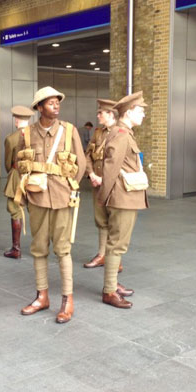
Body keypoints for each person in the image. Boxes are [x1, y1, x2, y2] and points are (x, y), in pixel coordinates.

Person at [16, 86, 86, 324]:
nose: (56, 105)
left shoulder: (69, 131)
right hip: (37, 198)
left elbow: (82, 164)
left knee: (63, 249)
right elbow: (20, 164)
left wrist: (69, 187)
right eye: (50, 103)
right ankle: (42, 296)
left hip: (62, 198)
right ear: (39, 107)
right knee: (38, 248)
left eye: (58, 102)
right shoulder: (27, 134)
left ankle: (67, 300)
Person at [97, 92, 148, 309]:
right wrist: (104, 199)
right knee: (117, 244)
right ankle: (109, 290)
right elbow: (110, 168)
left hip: (124, 196)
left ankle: (112, 284)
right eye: (140, 110)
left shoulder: (124, 133)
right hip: (121, 197)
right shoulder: (121, 134)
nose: (144, 114)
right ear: (128, 112)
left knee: (117, 243)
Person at [83, 99, 121, 268]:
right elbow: (88, 155)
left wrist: (104, 179)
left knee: (115, 221)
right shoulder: (98, 133)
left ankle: (115, 260)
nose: (98, 115)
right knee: (101, 220)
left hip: (112, 185)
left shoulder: (121, 133)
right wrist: (91, 174)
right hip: (97, 183)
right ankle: (102, 255)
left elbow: (120, 162)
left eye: (101, 113)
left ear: (110, 114)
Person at [3, 105, 35, 259]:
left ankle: (16, 249)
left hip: (17, 177)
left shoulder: (11, 138)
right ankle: (40, 247)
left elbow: (8, 163)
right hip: (36, 177)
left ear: (16, 120)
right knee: (36, 211)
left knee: (15, 209)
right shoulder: (37, 135)